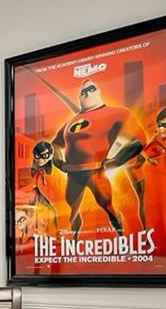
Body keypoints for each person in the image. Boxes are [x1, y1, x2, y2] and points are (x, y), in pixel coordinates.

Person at [49, 80, 145, 236]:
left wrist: (116, 161)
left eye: (90, 89)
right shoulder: (69, 123)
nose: (86, 93)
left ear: (98, 91)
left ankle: (120, 236)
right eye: (82, 92)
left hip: (96, 173)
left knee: (108, 207)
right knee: (72, 209)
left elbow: (140, 139)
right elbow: (53, 145)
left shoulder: (118, 113)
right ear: (79, 97)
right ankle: (74, 241)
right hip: (73, 175)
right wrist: (59, 163)